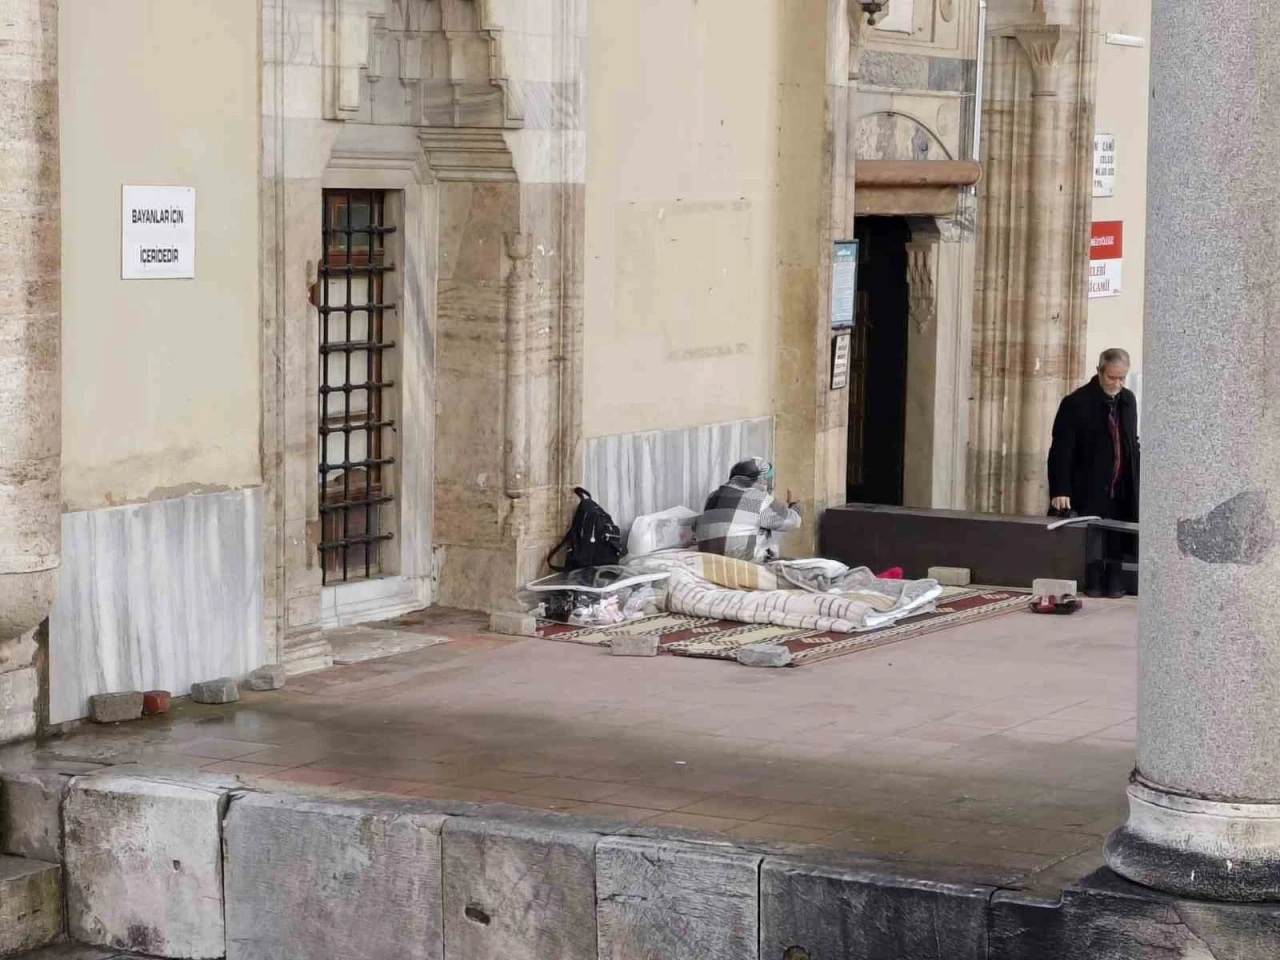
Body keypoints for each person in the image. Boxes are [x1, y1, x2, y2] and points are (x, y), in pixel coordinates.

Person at [1047, 348, 1140, 598]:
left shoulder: (1128, 399)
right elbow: (1061, 449)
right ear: (1099, 371)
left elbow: (1131, 441)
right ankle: (1094, 583)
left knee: (1117, 537)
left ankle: (1115, 582)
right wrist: (1060, 489)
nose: (1117, 383)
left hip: (1121, 484)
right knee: (1093, 538)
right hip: (1088, 482)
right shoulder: (1076, 402)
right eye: (1112, 377)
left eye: (1122, 377)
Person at [694, 457, 801, 563]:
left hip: (711, 560)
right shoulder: (758, 498)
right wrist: (794, 507)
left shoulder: (712, 496)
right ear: (762, 479)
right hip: (744, 562)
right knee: (794, 562)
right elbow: (792, 522)